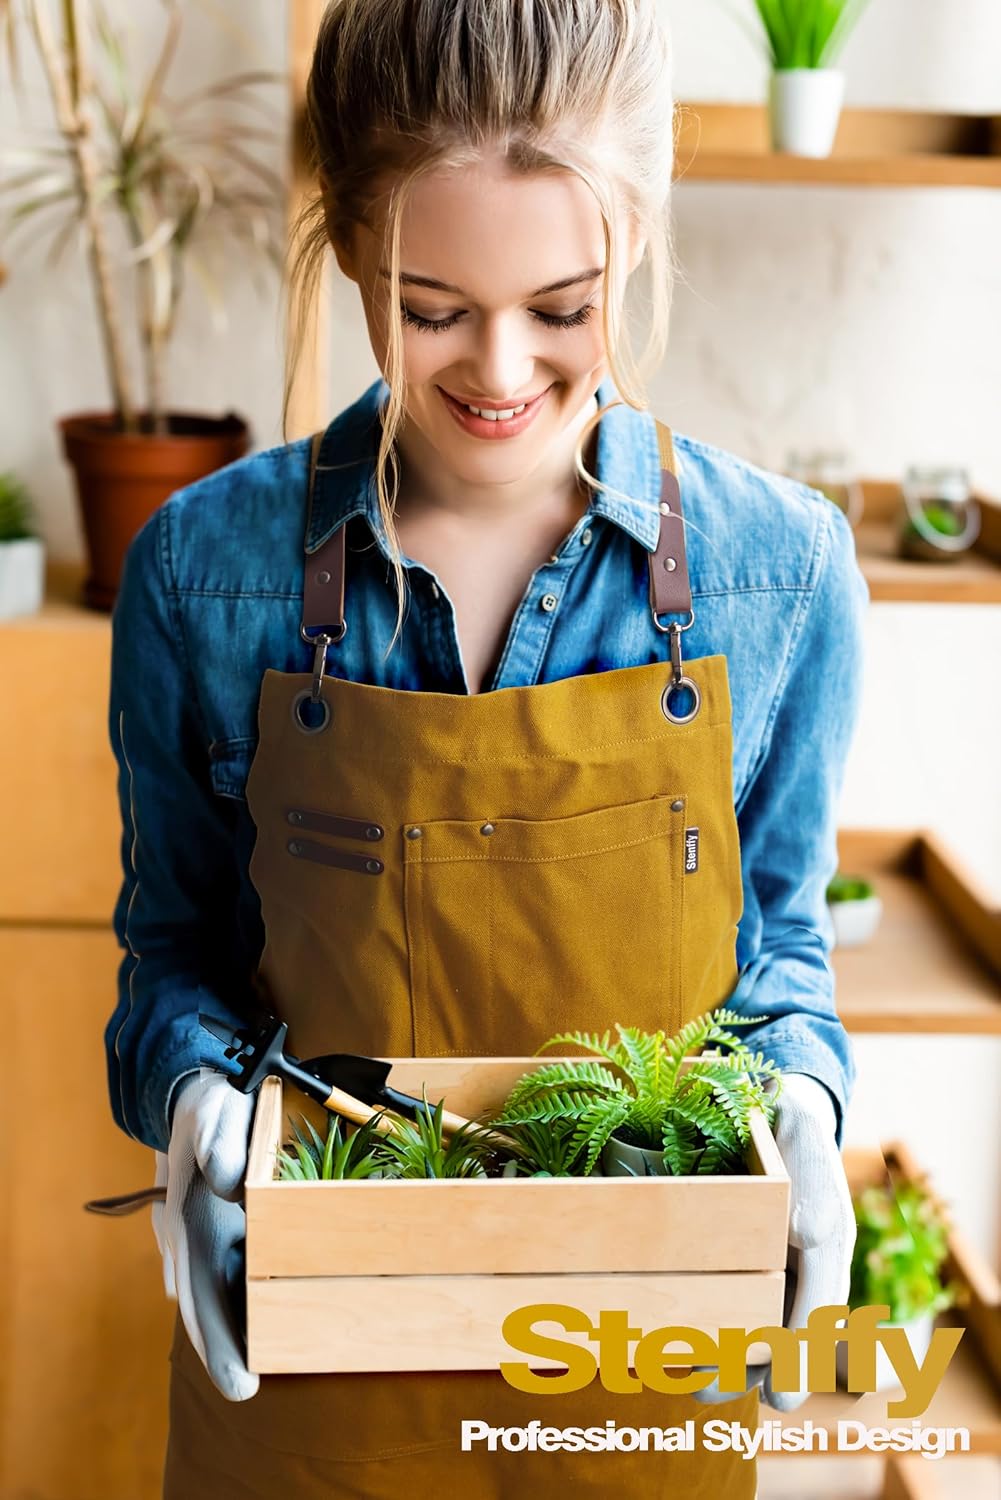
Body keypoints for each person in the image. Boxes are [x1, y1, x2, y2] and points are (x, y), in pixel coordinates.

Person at [104, 1, 867, 1495]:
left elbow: (773, 947)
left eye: (561, 309)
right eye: (432, 305)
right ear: (347, 251)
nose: (498, 370)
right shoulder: (207, 572)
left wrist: (802, 1111)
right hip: (309, 1389)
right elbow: (173, 950)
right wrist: (198, 1104)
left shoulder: (777, 572)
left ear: (634, 243)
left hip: (630, 1382)